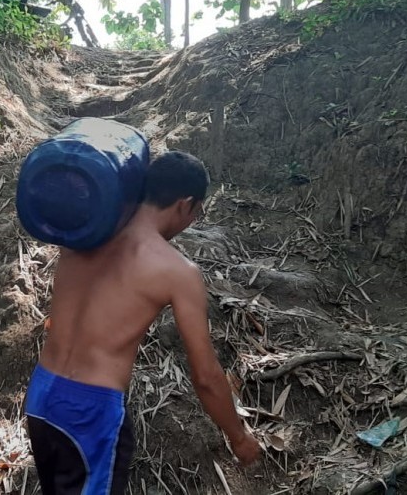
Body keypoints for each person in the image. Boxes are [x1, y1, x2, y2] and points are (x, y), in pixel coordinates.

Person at [25, 150, 262, 494]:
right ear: (186, 204)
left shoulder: (85, 232)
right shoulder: (176, 271)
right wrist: (238, 437)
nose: (192, 221)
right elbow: (207, 376)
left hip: (41, 396)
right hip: (88, 411)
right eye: (197, 213)